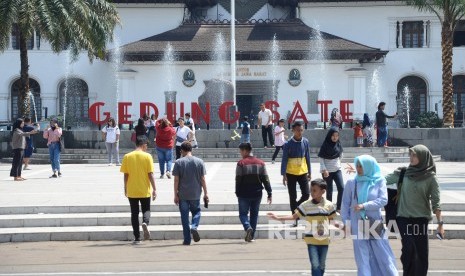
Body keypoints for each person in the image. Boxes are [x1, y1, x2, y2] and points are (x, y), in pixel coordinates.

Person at [385, 144, 443, 276]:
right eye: (410, 154)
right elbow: (382, 180)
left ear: (423, 157)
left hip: (421, 219)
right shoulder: (404, 173)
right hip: (403, 217)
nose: (411, 157)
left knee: (420, 252)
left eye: (415, 155)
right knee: (409, 247)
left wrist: (440, 224)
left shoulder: (430, 177)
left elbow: (436, 202)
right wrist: (362, 175)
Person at [341, 155, 398, 276]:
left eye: (361, 166)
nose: (358, 168)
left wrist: (364, 205)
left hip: (373, 222)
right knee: (362, 257)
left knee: (382, 253)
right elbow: (345, 204)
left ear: (369, 166)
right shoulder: (352, 182)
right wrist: (346, 223)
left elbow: (383, 200)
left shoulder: (379, 180)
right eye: (357, 165)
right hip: (357, 223)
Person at [268, 179, 337, 276]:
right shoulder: (306, 205)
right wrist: (277, 218)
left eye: (314, 190)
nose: (312, 192)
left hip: (324, 240)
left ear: (323, 191)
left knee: (321, 265)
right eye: (311, 190)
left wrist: (344, 227)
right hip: (311, 241)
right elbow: (293, 217)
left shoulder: (329, 205)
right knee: (315, 265)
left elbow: (332, 220)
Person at [120, 135, 157, 244]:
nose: (147, 147)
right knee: (146, 210)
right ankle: (145, 222)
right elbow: (150, 174)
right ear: (144, 144)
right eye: (147, 145)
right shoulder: (147, 156)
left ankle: (137, 238)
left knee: (134, 213)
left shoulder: (127, 156)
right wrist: (154, 189)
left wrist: (125, 188)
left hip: (132, 189)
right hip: (144, 189)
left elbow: (126, 175)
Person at [173, 141, 209, 245]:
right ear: (191, 150)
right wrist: (206, 193)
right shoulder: (199, 162)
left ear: (182, 151)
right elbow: (202, 179)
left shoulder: (179, 162)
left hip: (183, 194)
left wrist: (175, 194)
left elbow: (176, 180)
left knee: (184, 217)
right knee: (196, 212)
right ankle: (194, 226)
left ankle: (187, 239)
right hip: (195, 193)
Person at [235, 143, 272, 242]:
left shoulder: (241, 163)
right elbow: (266, 179)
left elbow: (238, 179)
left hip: (244, 193)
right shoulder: (260, 163)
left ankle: (247, 227)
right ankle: (251, 236)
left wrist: (237, 192)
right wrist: (269, 192)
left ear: (245, 151)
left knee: (243, 214)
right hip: (257, 193)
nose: (240, 153)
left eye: (241, 151)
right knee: (254, 215)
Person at [281, 121, 311, 226]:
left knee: (306, 194)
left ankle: (296, 209)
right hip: (291, 173)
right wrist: (283, 174)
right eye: (298, 130)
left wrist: (309, 172)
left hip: (303, 172)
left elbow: (307, 157)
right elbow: (284, 159)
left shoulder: (306, 142)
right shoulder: (287, 144)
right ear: (293, 130)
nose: (300, 132)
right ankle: (295, 218)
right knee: (292, 196)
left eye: (301, 130)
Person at [318, 128, 344, 212]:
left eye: (337, 136)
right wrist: (324, 169)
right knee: (329, 190)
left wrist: (338, 163)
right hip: (327, 171)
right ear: (330, 136)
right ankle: (329, 207)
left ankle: (339, 207)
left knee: (341, 187)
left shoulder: (338, 144)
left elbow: (340, 154)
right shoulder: (325, 145)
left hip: (337, 170)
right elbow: (321, 158)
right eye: (333, 135)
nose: (335, 137)